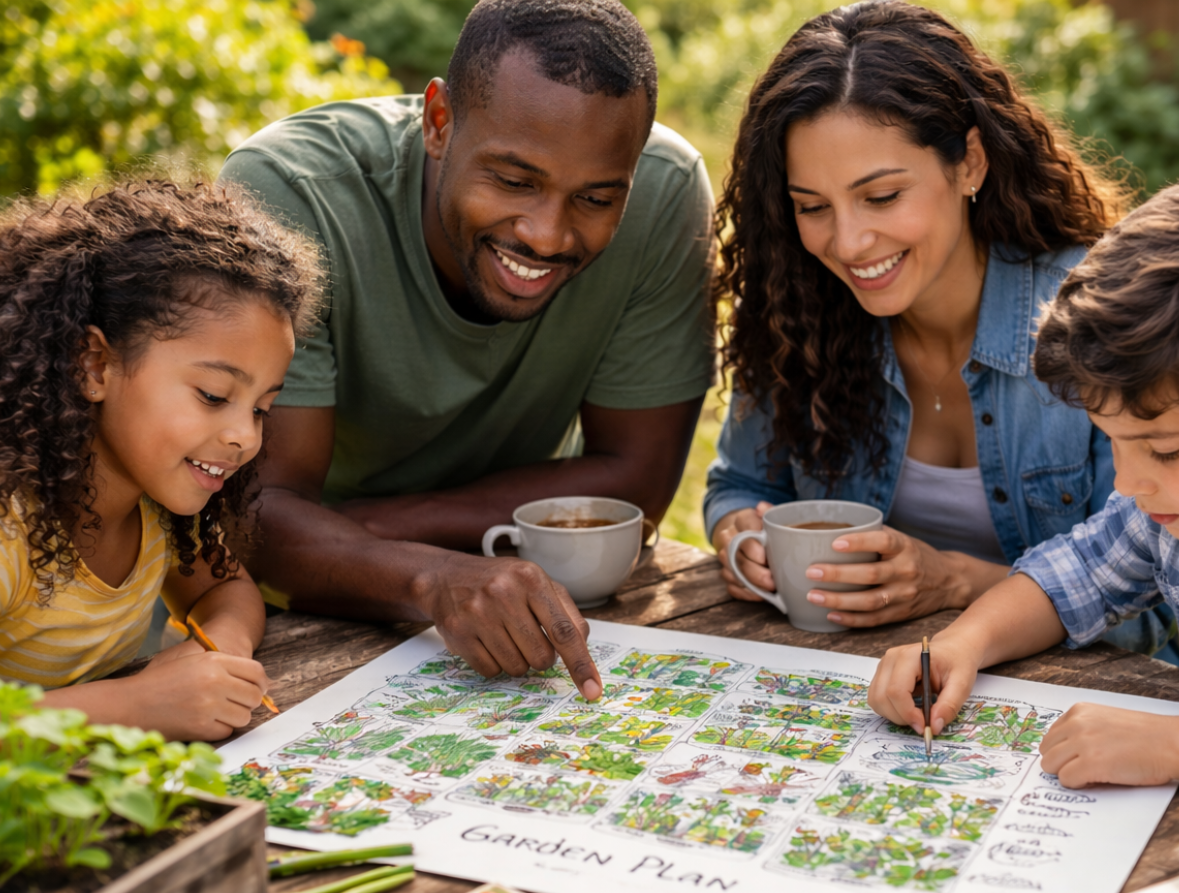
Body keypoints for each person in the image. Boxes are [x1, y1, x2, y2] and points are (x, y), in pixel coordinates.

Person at [220, 0, 715, 700]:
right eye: (514, 182)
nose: (546, 234)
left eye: (596, 199)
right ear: (438, 122)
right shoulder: (293, 195)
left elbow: (633, 484)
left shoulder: (665, 190)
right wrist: (430, 576)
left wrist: (366, 529)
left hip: (507, 598)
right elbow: (254, 511)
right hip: (279, 617)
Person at [704, 0, 1175, 656]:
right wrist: (740, 533)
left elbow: (1164, 609)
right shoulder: (802, 308)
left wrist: (955, 583)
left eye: (881, 197)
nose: (848, 242)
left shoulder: (1102, 324)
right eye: (812, 207)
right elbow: (743, 484)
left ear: (970, 163)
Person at [870, 173, 1179, 799]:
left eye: (1165, 450)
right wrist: (962, 643)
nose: (1127, 481)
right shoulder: (1178, 502)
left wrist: (1177, 746)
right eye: (1114, 442)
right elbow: (1069, 577)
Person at [0, 181, 322, 741]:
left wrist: (222, 651)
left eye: (262, 408)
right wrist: (134, 704)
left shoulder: (157, 508)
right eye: (213, 396)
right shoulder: (12, 529)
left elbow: (224, 590)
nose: (244, 437)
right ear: (94, 365)